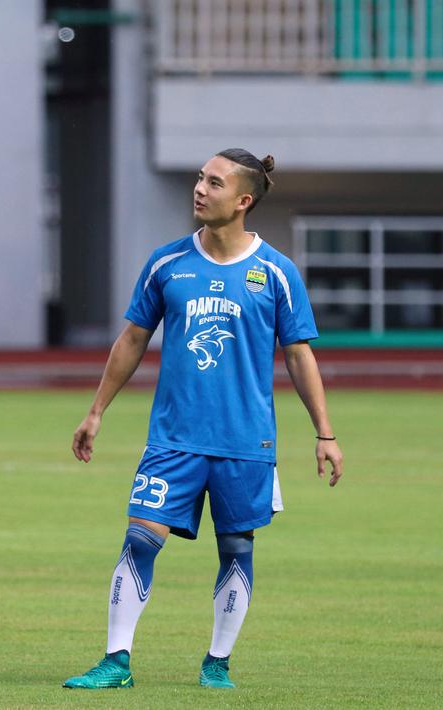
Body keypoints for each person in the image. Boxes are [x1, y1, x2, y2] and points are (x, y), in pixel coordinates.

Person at [63, 149, 344, 690]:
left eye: (213, 182)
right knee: (140, 537)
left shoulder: (276, 273)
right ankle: (115, 661)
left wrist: (325, 434)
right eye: (198, 177)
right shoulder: (167, 263)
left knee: (237, 549)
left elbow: (299, 355)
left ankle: (217, 663)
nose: (198, 188)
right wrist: (96, 412)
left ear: (242, 201)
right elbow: (132, 340)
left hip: (245, 441)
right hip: (174, 438)